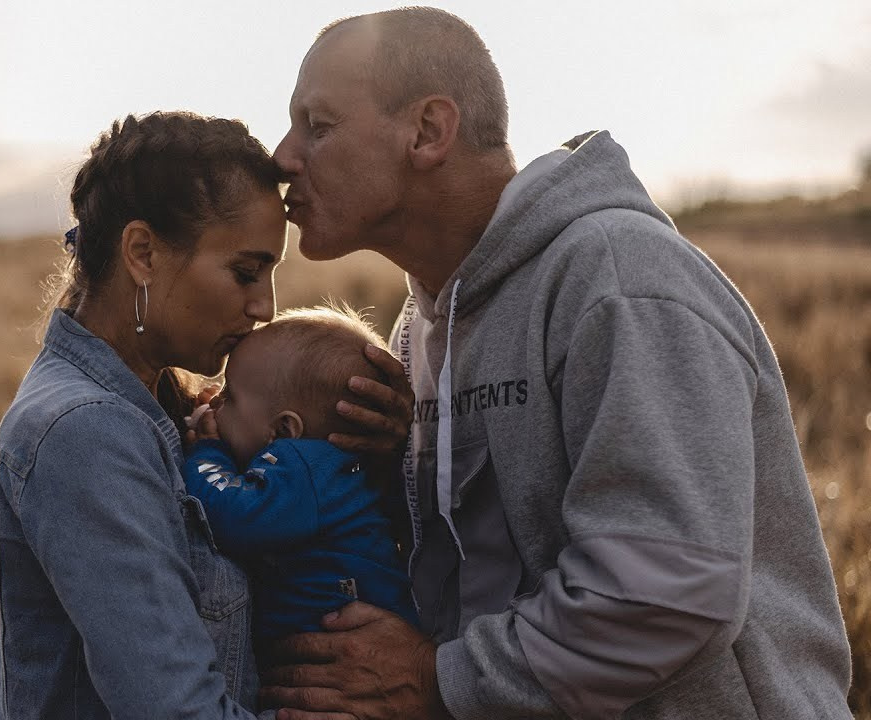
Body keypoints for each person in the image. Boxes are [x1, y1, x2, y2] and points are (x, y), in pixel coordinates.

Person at [259, 8, 853, 720]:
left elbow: (667, 591)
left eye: (317, 125)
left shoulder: (616, 280)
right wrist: (386, 475)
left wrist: (436, 681)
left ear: (427, 131)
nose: (283, 156)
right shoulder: (422, 327)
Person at [0, 110, 409, 719]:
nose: (264, 307)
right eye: (245, 272)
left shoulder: (168, 407)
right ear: (142, 253)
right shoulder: (85, 432)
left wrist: (370, 456)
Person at [181, 306, 418, 646]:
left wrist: (208, 451)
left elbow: (234, 514)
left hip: (340, 667)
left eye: (229, 395)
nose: (215, 402)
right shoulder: (337, 470)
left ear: (283, 430)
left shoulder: (304, 471)